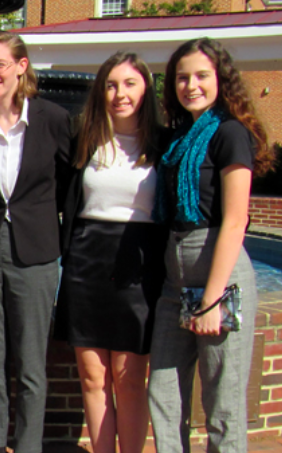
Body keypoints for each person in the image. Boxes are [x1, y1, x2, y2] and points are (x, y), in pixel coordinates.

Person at [147, 37, 274, 453]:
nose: (191, 85)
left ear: (221, 78)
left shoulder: (229, 133)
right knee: (163, 394)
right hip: (176, 274)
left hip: (220, 270)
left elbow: (236, 220)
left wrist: (213, 300)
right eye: (182, 77)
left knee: (222, 404)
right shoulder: (177, 140)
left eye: (202, 75)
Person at [0, 31, 71, 453]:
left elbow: (70, 182)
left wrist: (60, 229)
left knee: (31, 366)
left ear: (22, 66)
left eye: (0, 64)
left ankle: (27, 447)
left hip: (36, 250)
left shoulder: (53, 119)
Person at [53, 51, 166, 453]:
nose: (120, 94)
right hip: (87, 263)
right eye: (112, 85)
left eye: (130, 84)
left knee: (130, 377)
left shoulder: (164, 144)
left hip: (139, 265)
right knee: (92, 376)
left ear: (146, 90)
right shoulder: (83, 139)